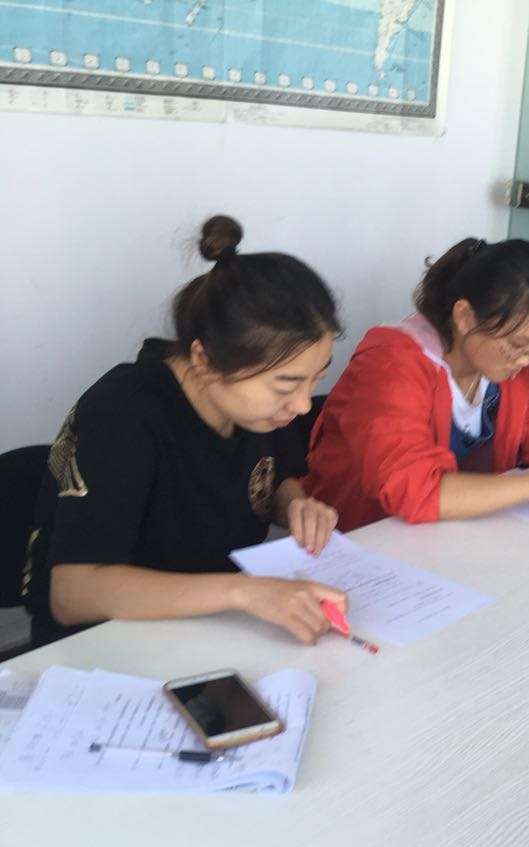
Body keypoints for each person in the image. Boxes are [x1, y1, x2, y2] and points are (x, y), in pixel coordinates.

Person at [23, 216, 347, 648]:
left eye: (314, 380)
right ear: (204, 359)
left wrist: (295, 506)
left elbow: (275, 477)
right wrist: (244, 592)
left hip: (211, 626)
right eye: (286, 385)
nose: (303, 405)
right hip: (104, 647)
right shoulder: (124, 413)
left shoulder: (261, 411)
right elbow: (74, 593)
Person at [305, 238, 529, 531]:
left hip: (446, 538)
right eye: (517, 344)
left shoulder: (506, 374)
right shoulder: (392, 365)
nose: (526, 359)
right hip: (365, 538)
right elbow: (416, 491)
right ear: (465, 316)